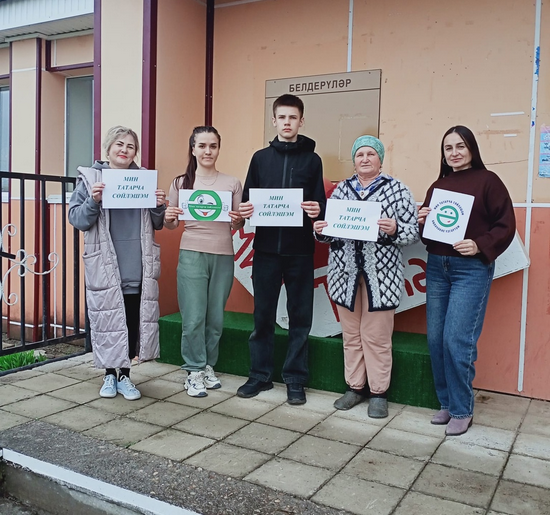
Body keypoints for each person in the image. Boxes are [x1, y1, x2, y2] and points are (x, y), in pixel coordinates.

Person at [418, 125, 515, 436]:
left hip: (470, 270)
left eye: (460, 146)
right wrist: (422, 222)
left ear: (472, 148)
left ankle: (462, 409)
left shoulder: (488, 181)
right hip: (437, 267)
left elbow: (505, 225)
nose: (455, 153)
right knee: (436, 339)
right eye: (448, 148)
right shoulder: (438, 186)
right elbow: (429, 235)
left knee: (456, 340)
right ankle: (447, 403)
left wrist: (479, 245)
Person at [314, 135, 419, 418]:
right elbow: (329, 232)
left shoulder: (398, 190)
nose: (365, 159)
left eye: (371, 154)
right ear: (354, 160)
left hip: (381, 277)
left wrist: (395, 229)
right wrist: (320, 230)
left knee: (377, 336)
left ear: (380, 159)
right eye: (360, 154)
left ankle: (378, 392)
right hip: (344, 274)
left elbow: (413, 233)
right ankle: (354, 387)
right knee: (351, 335)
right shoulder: (341, 191)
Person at [237, 94, 326, 405]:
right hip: (265, 251)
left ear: (301, 121)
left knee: (300, 318)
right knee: (262, 315)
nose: (287, 122)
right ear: (274, 121)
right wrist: (246, 209)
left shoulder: (313, 160)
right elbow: (247, 200)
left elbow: (320, 204)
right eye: (282, 117)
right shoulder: (260, 158)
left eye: (293, 117)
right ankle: (259, 375)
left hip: (300, 251)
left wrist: (317, 209)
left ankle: (295, 379)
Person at [69, 126, 166, 400]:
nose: (124, 150)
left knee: (132, 321)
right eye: (119, 144)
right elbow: (77, 219)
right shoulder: (90, 179)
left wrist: (158, 205)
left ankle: (125, 376)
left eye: (130, 146)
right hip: (106, 266)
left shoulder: (144, 179)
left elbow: (157, 223)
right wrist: (94, 200)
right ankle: (109, 375)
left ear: (135, 152)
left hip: (137, 264)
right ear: (108, 148)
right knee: (108, 321)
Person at [164, 126, 244, 397]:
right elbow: (172, 225)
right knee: (193, 316)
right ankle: (193, 370)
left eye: (213, 146)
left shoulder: (232, 183)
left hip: (223, 255)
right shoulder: (180, 183)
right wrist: (168, 217)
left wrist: (238, 220)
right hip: (192, 253)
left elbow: (237, 224)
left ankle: (208, 365)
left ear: (219, 149)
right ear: (193, 149)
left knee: (215, 317)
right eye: (202, 146)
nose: (208, 151)